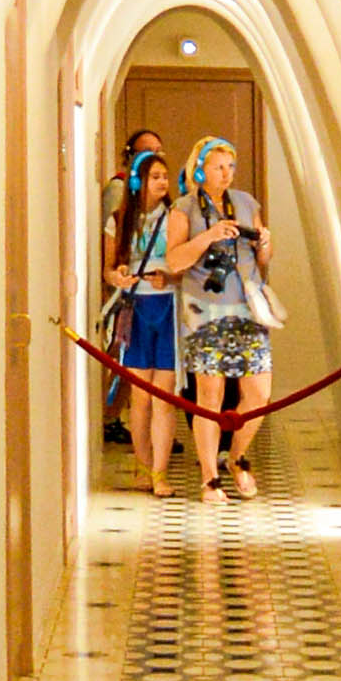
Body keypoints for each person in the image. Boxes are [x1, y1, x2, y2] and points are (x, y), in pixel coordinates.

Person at [166, 134, 278, 495]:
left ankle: (237, 455)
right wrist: (209, 236)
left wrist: (264, 244)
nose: (226, 173)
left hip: (247, 306)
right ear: (200, 170)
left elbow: (262, 260)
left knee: (259, 392)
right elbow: (174, 261)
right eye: (218, 167)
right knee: (209, 395)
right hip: (205, 310)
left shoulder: (245, 203)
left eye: (230, 166)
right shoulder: (184, 208)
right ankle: (209, 476)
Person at [103, 133, 184, 491]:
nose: (162, 182)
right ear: (138, 182)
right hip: (135, 307)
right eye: (155, 176)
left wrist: (169, 276)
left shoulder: (175, 218)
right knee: (140, 397)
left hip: (166, 306)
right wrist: (118, 276)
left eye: (165, 176)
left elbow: (183, 266)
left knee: (164, 396)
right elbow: (108, 268)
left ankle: (160, 473)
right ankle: (142, 465)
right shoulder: (119, 220)